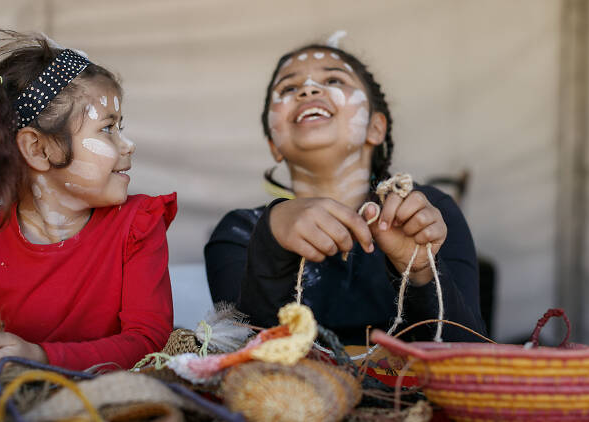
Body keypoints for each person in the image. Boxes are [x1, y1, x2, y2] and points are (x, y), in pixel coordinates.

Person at [0, 30, 176, 375]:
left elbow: (149, 345)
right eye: (108, 129)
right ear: (38, 149)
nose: (129, 145)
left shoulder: (137, 224)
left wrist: (38, 359)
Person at [205, 42, 486, 344]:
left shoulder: (428, 212)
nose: (308, 91)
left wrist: (419, 271)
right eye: (289, 88)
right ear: (273, 143)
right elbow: (240, 359)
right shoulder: (240, 232)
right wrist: (270, 242)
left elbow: (474, 352)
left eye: (334, 80)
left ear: (375, 129)